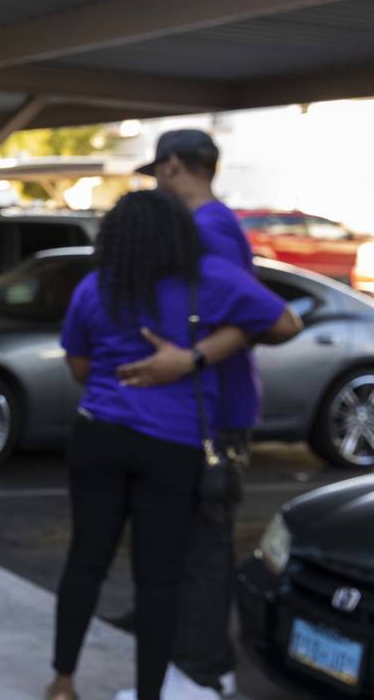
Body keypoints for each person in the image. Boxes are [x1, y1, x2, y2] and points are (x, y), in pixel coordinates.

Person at [45, 190, 301, 700]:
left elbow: (78, 366)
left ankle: (63, 681)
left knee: (86, 560)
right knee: (158, 578)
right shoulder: (210, 282)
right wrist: (199, 356)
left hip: (100, 435)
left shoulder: (96, 287)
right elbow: (285, 322)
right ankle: (148, 694)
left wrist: (121, 376)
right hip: (174, 446)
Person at [122, 129, 262, 699]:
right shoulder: (207, 227)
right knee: (185, 544)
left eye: (158, 172)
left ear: (176, 166)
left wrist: (192, 358)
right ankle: (191, 659)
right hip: (200, 414)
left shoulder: (208, 230)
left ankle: (204, 672)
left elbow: (258, 315)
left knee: (204, 547)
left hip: (216, 417)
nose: (156, 184)